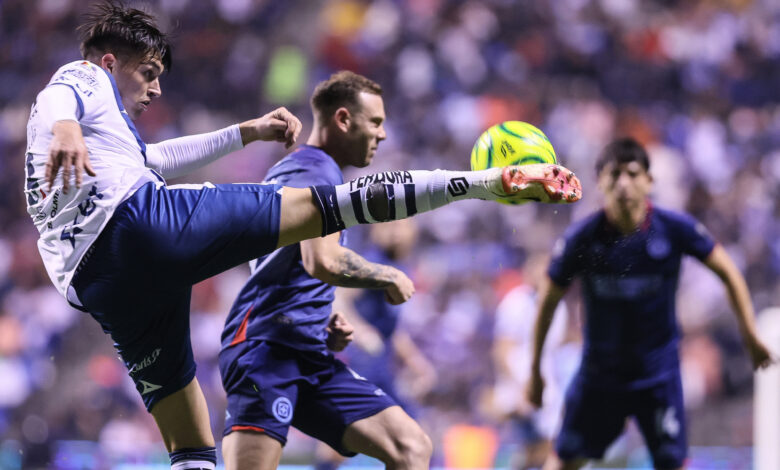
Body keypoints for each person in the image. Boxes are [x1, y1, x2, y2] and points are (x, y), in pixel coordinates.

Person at [24, 3, 582, 469]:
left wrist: (246, 132)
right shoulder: (83, 80)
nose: (155, 89)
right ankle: (489, 182)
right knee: (331, 208)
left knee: (192, 444)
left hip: (97, 284)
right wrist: (68, 128)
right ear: (109, 62)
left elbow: (154, 159)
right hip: (136, 226)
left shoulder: (114, 133)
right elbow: (58, 98)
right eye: (148, 73)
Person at [219, 73, 437, 470]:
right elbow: (321, 260)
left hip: (308, 351)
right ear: (342, 119)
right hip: (265, 350)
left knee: (412, 447)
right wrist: (387, 274)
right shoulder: (313, 172)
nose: (383, 134)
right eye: (375, 122)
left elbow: (283, 266)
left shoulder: (316, 174)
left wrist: (320, 321)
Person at [525, 138, 773, 470]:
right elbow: (547, 300)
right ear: (600, 182)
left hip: (657, 376)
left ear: (649, 181)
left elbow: (728, 271)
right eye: (614, 175)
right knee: (564, 461)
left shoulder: (673, 229)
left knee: (673, 464)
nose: (623, 183)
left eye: (632, 173)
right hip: (601, 376)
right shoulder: (582, 239)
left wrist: (750, 336)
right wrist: (535, 372)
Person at [312, 219, 438, 470]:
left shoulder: (398, 265)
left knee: (415, 442)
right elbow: (339, 300)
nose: (395, 232)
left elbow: (389, 329)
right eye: (388, 226)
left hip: (381, 367)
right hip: (361, 364)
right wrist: (363, 333)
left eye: (401, 225)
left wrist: (415, 362)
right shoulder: (371, 260)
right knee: (341, 444)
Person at [489, 253, 578, 470]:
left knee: (541, 450)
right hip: (523, 386)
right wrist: (517, 389)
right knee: (545, 447)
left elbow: (554, 351)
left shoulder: (558, 306)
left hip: (546, 387)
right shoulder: (516, 302)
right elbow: (502, 350)